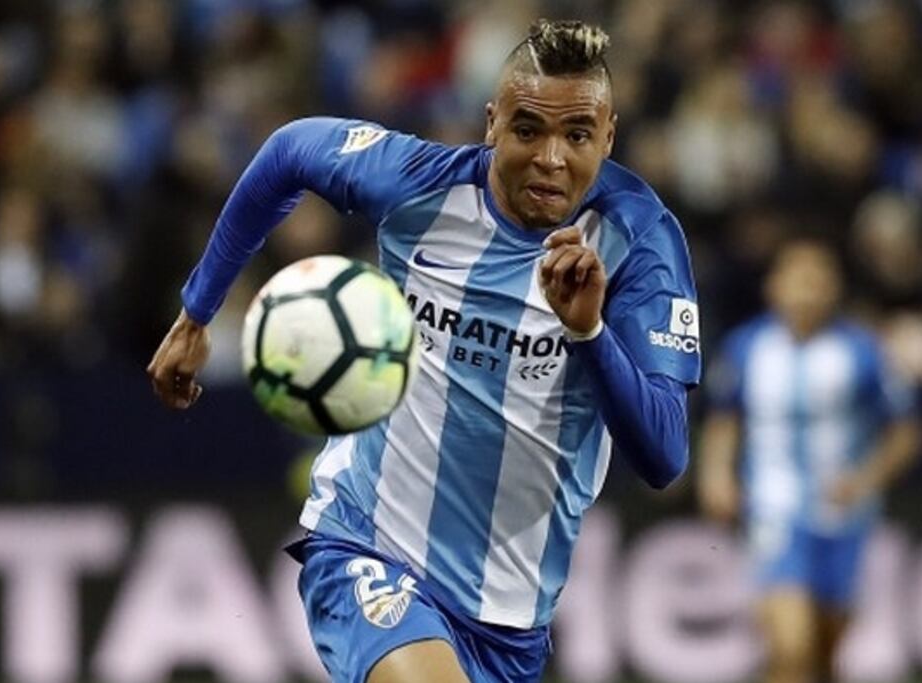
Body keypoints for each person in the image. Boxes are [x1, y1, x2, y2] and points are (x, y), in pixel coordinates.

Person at [147, 19, 702, 683]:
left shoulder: (640, 240)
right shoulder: (418, 183)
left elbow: (664, 455)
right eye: (528, 130)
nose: (552, 158)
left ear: (609, 136)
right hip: (368, 543)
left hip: (510, 620)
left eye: (578, 135)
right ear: (492, 123)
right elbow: (290, 152)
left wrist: (588, 333)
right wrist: (197, 312)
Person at [697, 237, 922, 683]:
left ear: (834, 288)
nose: (807, 292)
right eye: (798, 279)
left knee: (825, 653)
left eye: (818, 281)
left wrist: (866, 479)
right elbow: (725, 419)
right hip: (774, 509)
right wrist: (716, 475)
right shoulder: (747, 347)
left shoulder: (864, 352)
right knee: (791, 645)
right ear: (774, 286)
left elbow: (907, 432)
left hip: (845, 516)